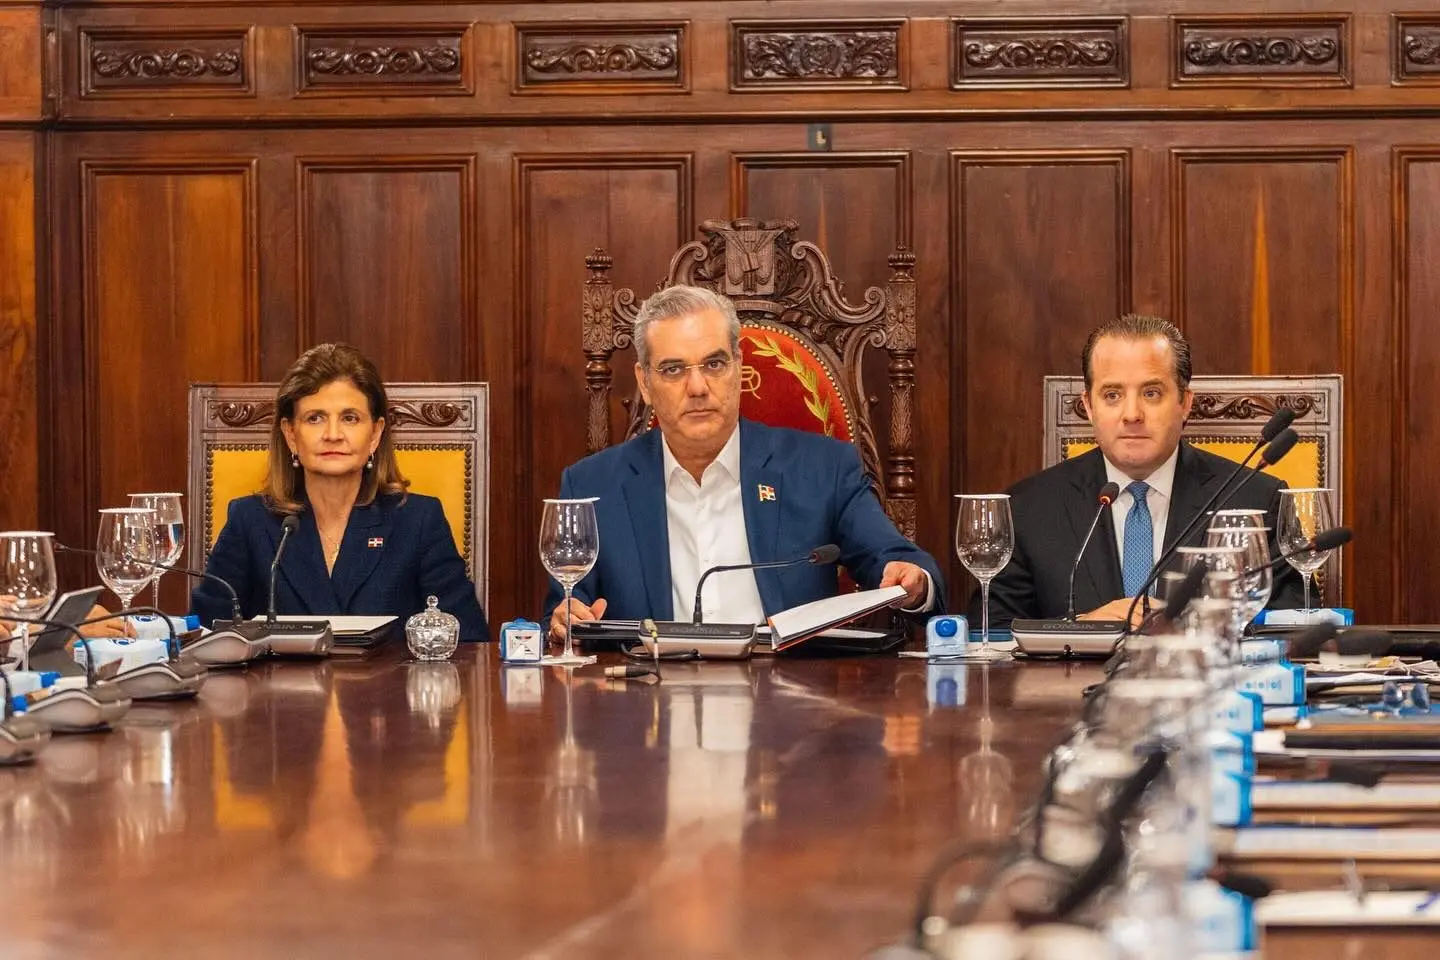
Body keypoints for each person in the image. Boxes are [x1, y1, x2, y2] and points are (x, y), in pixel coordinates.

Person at [543, 285, 944, 640]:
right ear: (645, 383)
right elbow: (565, 611)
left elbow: (902, 564)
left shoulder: (822, 469)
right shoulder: (593, 486)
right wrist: (565, 619)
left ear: (738, 368)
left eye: (714, 364)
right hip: (649, 693)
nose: (697, 387)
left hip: (791, 692)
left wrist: (912, 581)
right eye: (673, 369)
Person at [970, 314, 1304, 629]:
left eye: (1151, 393)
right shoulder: (1028, 509)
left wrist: (1191, 627)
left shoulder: (1256, 500)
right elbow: (992, 633)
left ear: (1185, 403)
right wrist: (1077, 629)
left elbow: (1291, 628)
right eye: (1112, 395)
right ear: (1088, 406)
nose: (1132, 414)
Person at [191, 343, 488, 640]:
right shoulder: (250, 521)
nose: (333, 435)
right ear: (291, 434)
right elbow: (204, 637)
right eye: (315, 418)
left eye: (350, 418)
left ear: (375, 433)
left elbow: (467, 640)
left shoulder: (419, 521)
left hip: (392, 673)